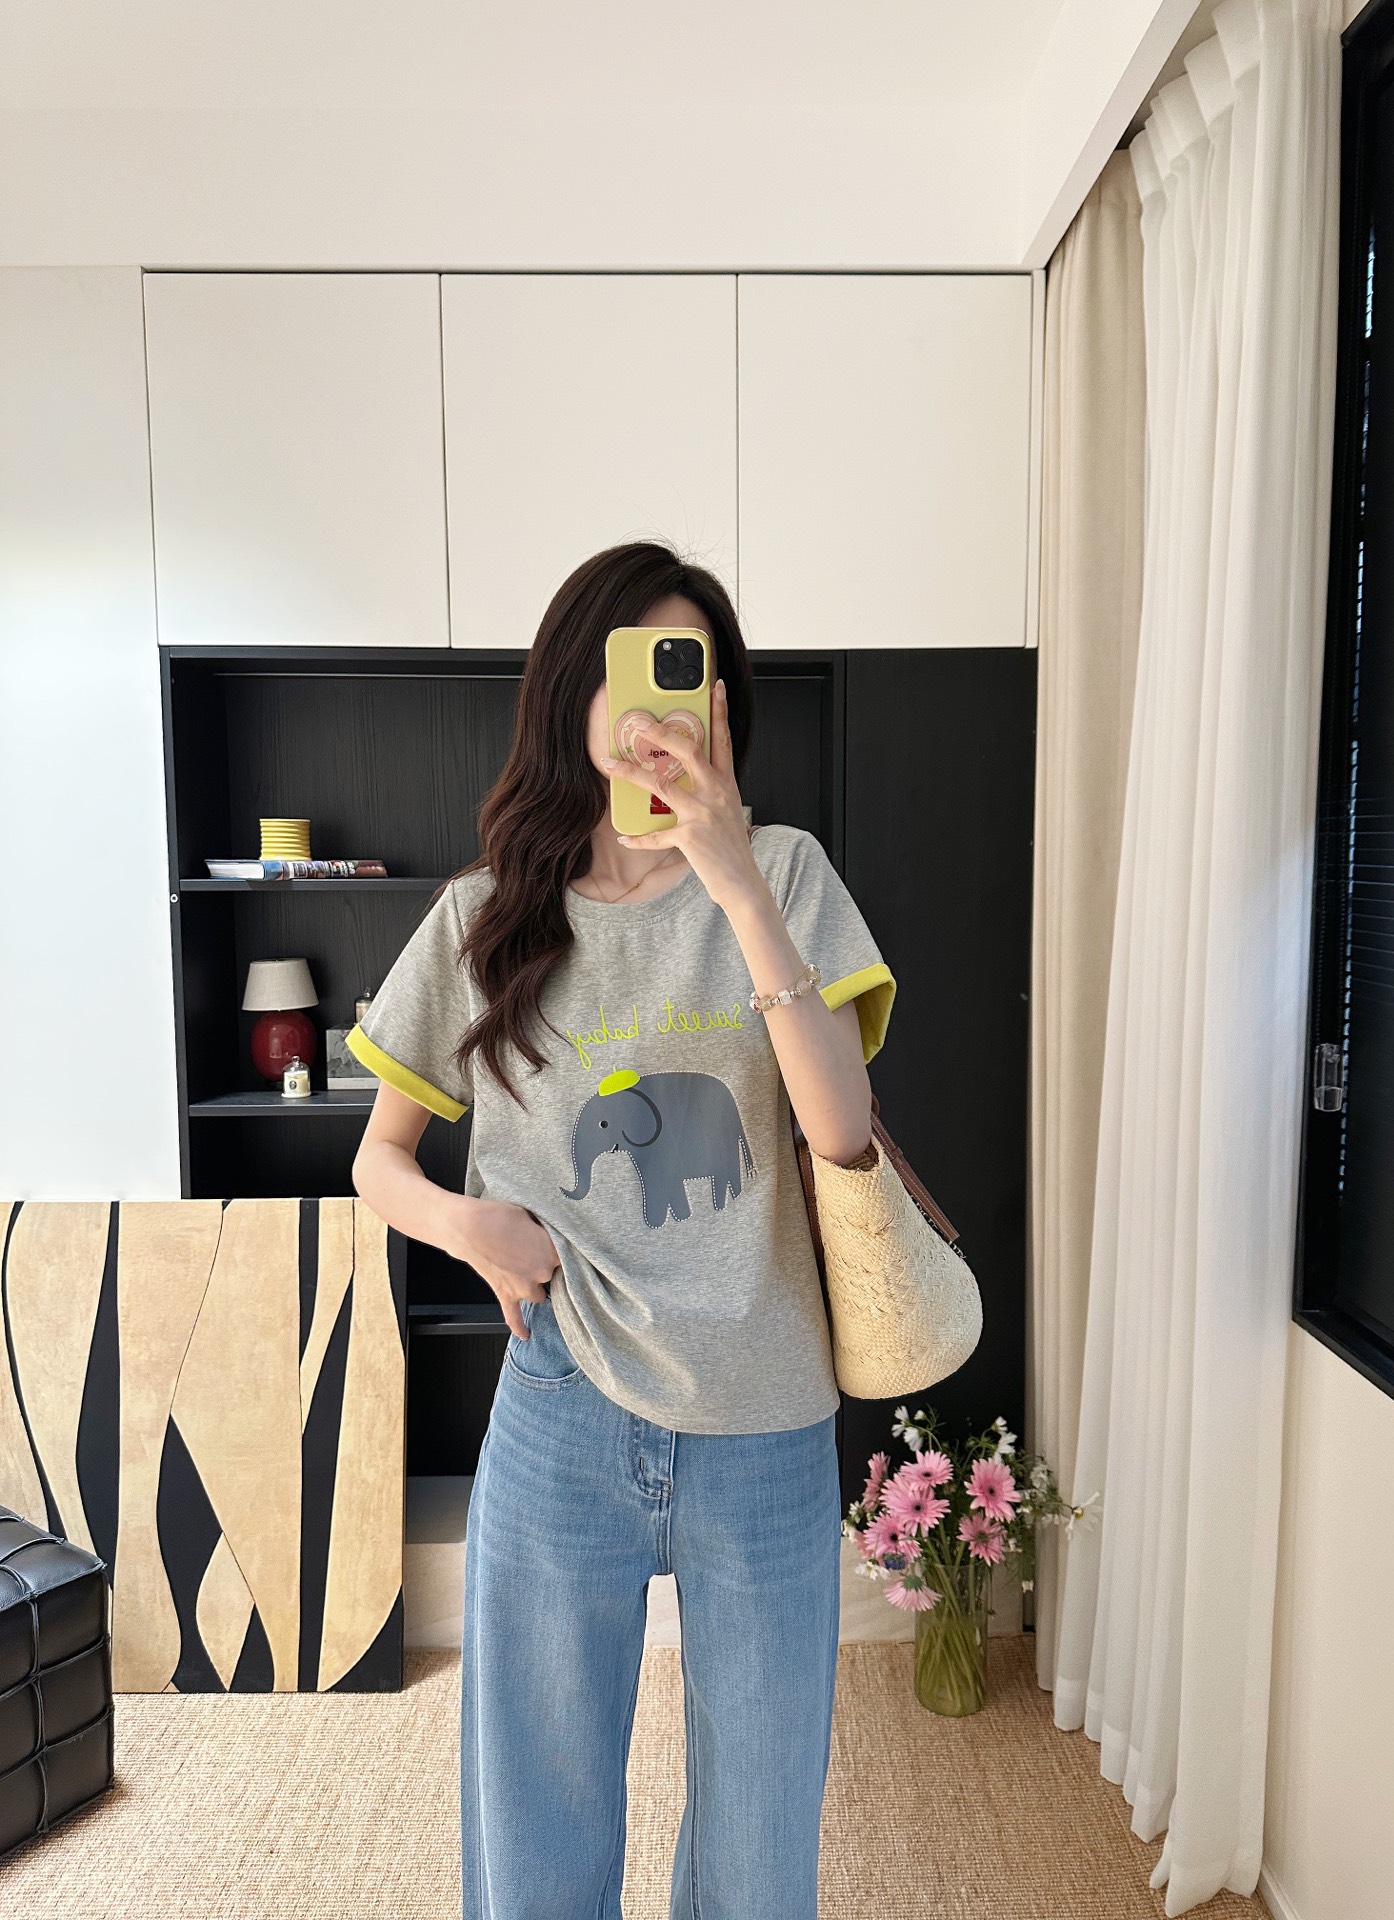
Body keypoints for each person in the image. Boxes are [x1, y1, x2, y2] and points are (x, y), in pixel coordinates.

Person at [349, 540, 897, 1920]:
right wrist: (475, 1227)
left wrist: (737, 885)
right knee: (535, 1811)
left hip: (764, 1403)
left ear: (724, 708)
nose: (662, 712)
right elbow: (378, 1162)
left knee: (762, 1830)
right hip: (563, 1398)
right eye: (633, 672)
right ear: (569, 694)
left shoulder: (785, 875)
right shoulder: (483, 916)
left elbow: (842, 1130)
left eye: (689, 677)